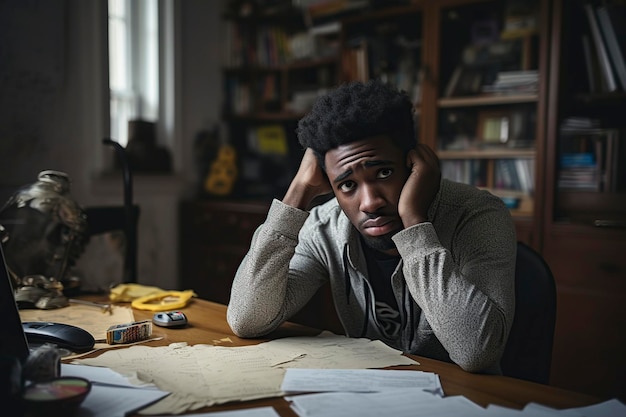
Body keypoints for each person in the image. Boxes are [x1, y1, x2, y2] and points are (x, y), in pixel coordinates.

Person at [227, 79, 517, 374]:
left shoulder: (476, 215)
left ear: (414, 164)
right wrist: (297, 193)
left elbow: (476, 353)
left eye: (384, 172)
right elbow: (247, 319)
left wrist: (413, 221)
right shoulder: (325, 228)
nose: (370, 202)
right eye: (348, 184)